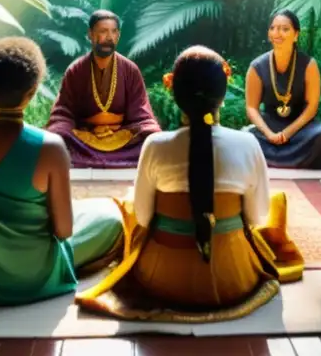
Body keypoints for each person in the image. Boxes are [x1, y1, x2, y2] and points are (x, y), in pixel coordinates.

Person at [77, 46, 303, 322]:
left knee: (129, 204)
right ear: (223, 90)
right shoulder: (247, 144)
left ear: (174, 90)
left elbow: (145, 218)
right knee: (276, 201)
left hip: (161, 280)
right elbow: (256, 218)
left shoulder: (155, 146)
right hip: (234, 278)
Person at [0, 37, 123, 306]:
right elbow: (63, 231)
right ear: (32, 92)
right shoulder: (49, 147)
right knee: (111, 216)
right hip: (28, 279)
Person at [46, 10, 160, 168]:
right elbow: (63, 111)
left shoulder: (130, 69)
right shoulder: (76, 70)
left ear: (118, 35)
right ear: (90, 34)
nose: (109, 37)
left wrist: (131, 131)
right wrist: (68, 128)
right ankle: (116, 160)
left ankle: (86, 159)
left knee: (152, 134)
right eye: (103, 31)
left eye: (113, 32)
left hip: (121, 136)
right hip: (85, 136)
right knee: (58, 134)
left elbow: (141, 112)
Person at [244, 9, 321, 169]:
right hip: (269, 126)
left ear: (296, 35)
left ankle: (271, 161)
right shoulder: (257, 66)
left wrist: (287, 133)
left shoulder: (309, 65)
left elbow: (312, 107)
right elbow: (251, 108)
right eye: (273, 28)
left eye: (284, 29)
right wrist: (269, 134)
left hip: (301, 128)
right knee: (245, 138)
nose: (277, 33)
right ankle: (293, 162)